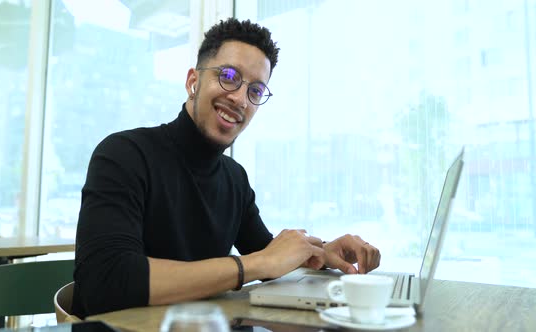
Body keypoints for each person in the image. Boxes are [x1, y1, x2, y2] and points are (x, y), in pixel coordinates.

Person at [72, 17, 381, 318]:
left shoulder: (234, 178)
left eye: (256, 90)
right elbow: (106, 281)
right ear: (193, 81)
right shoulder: (124, 155)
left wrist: (323, 252)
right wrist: (255, 265)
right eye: (229, 76)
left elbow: (269, 253)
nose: (240, 99)